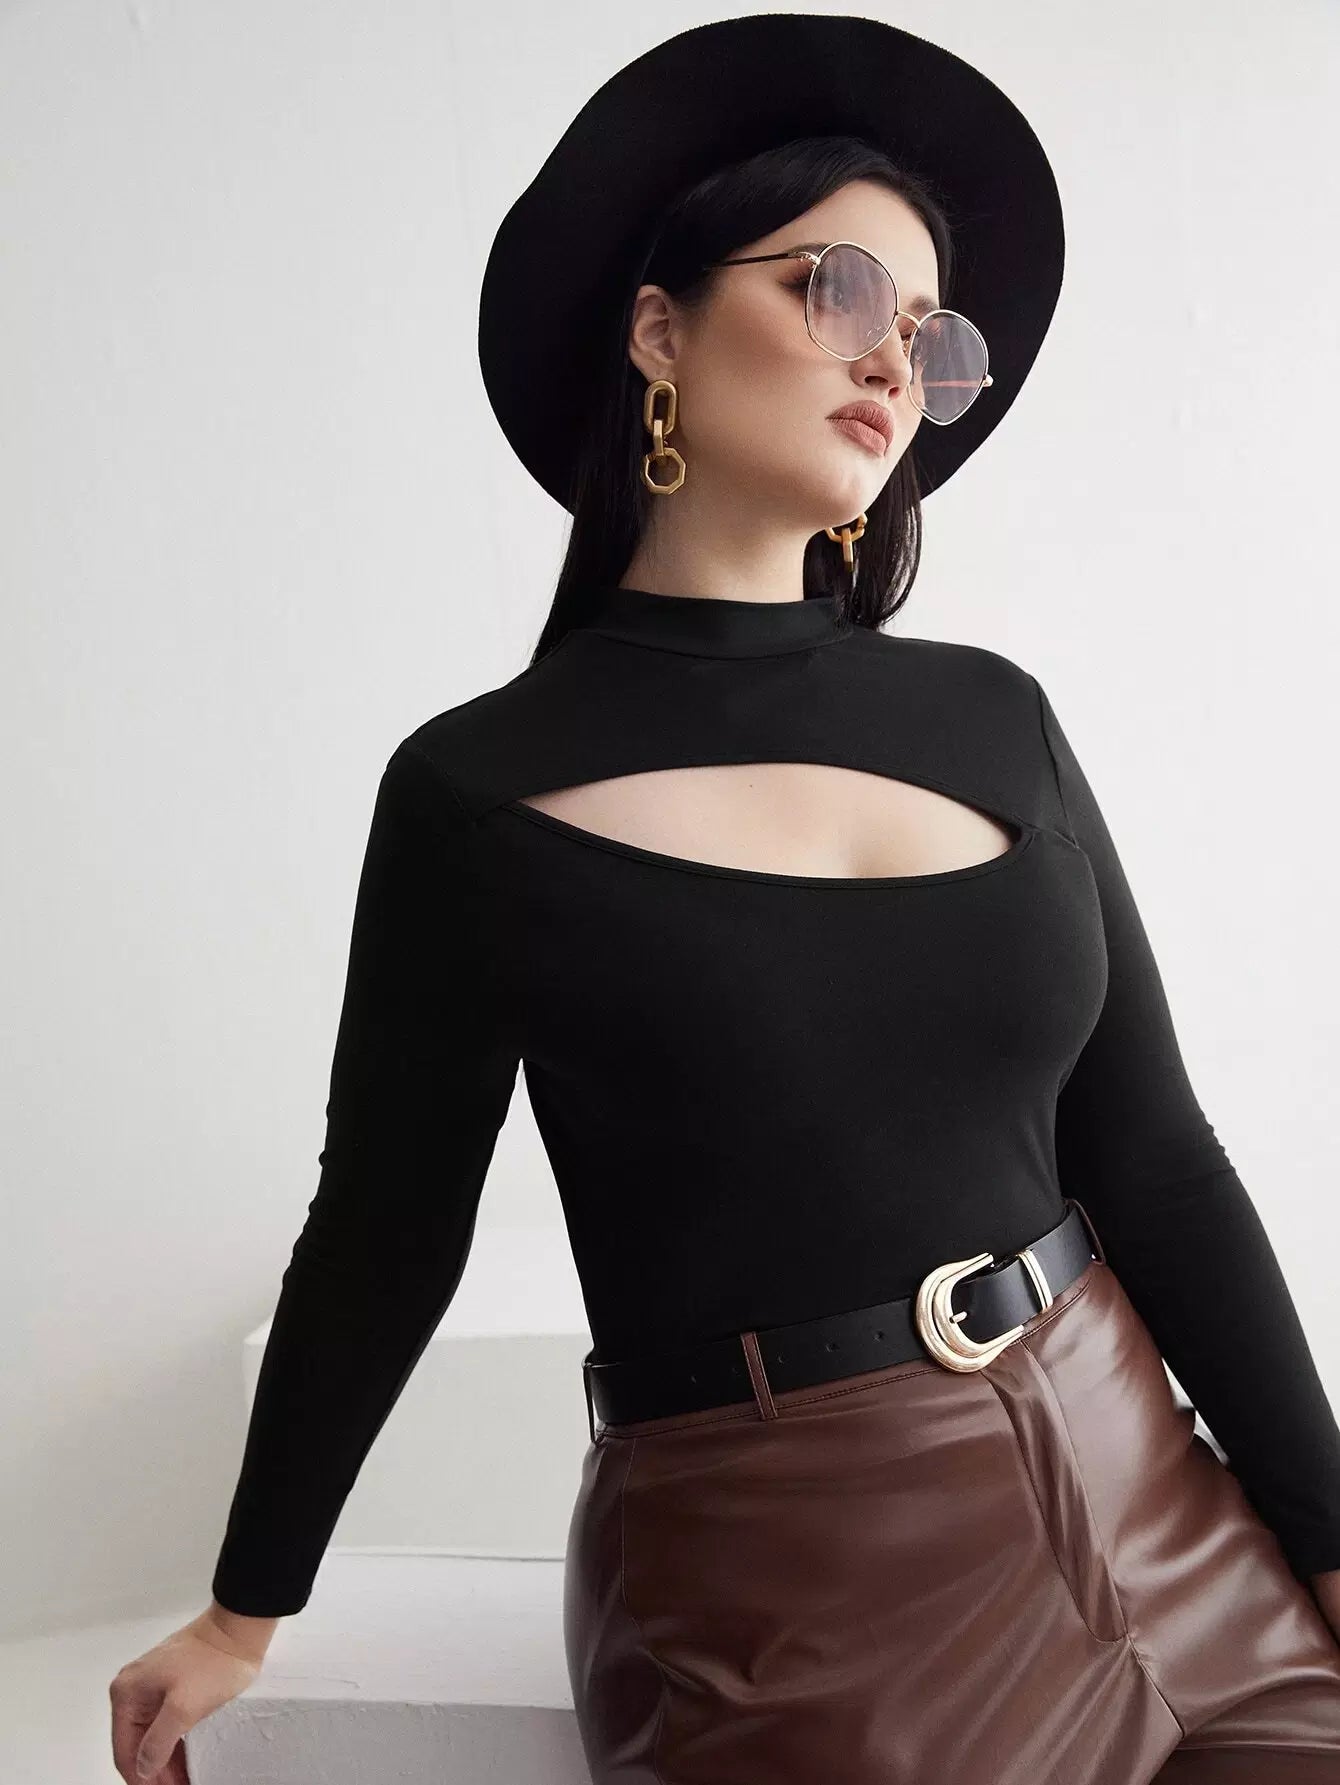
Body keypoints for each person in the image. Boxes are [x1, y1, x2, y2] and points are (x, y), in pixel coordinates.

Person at [110, 15, 1340, 1784]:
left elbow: (1155, 1155)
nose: (894, 355)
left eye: (930, 333)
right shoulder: (472, 791)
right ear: (657, 330)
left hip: (1156, 1494)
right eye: (842, 288)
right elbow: (387, 1224)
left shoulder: (995, 717)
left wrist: (1327, 1540)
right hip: (792, 1575)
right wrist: (246, 1606)